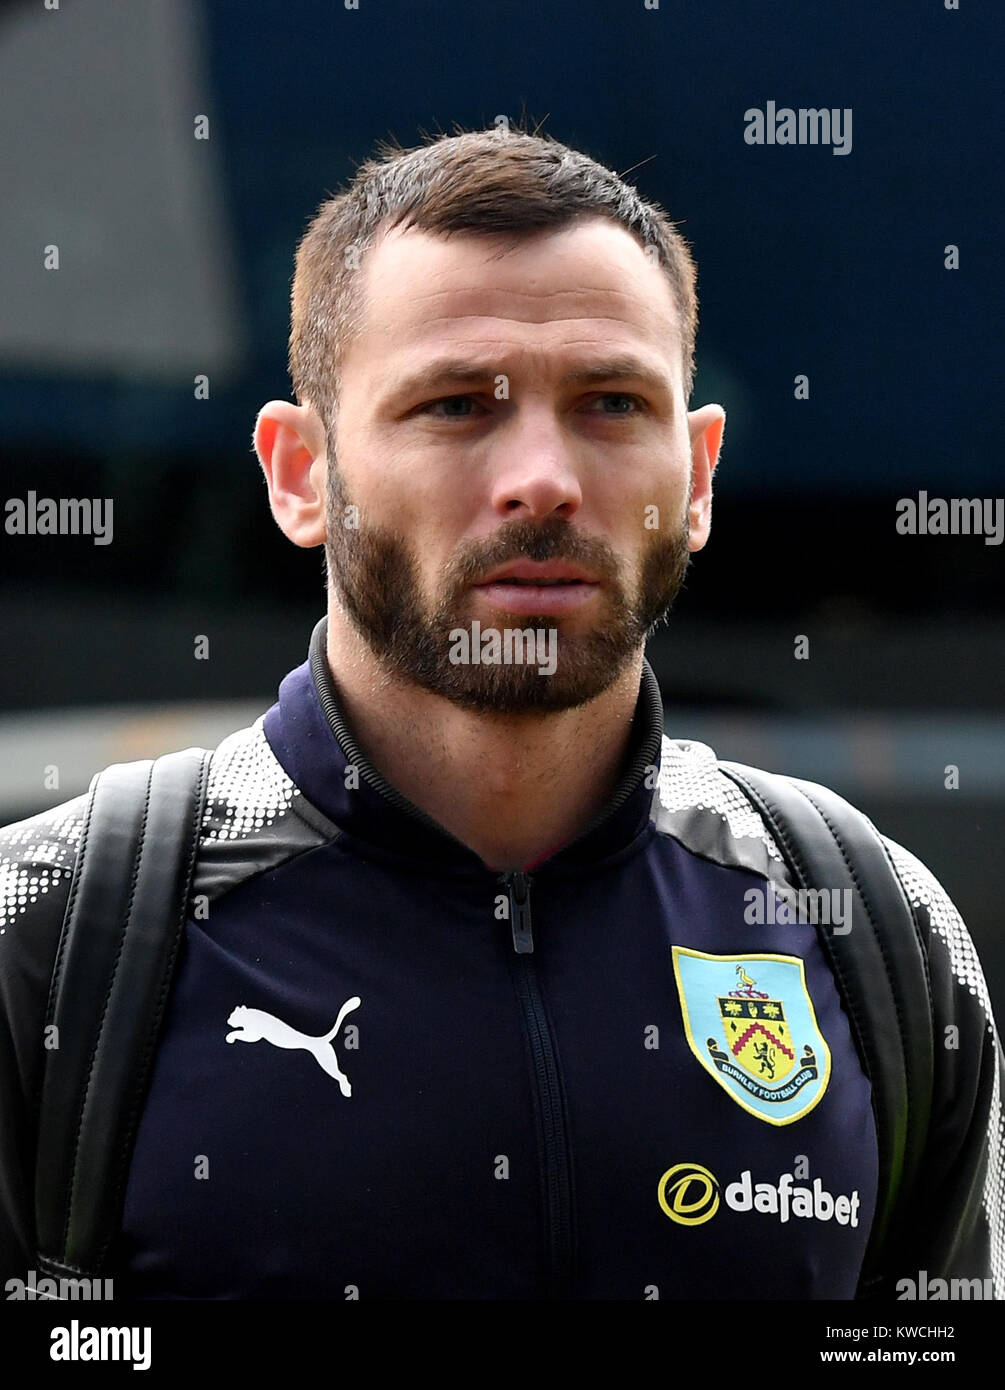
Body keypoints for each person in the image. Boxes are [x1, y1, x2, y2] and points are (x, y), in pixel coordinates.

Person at [1, 127, 1001, 1301]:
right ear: (300, 474)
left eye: (612, 402)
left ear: (700, 476)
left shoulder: (874, 931)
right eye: (457, 405)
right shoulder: (54, 934)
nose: (545, 477)